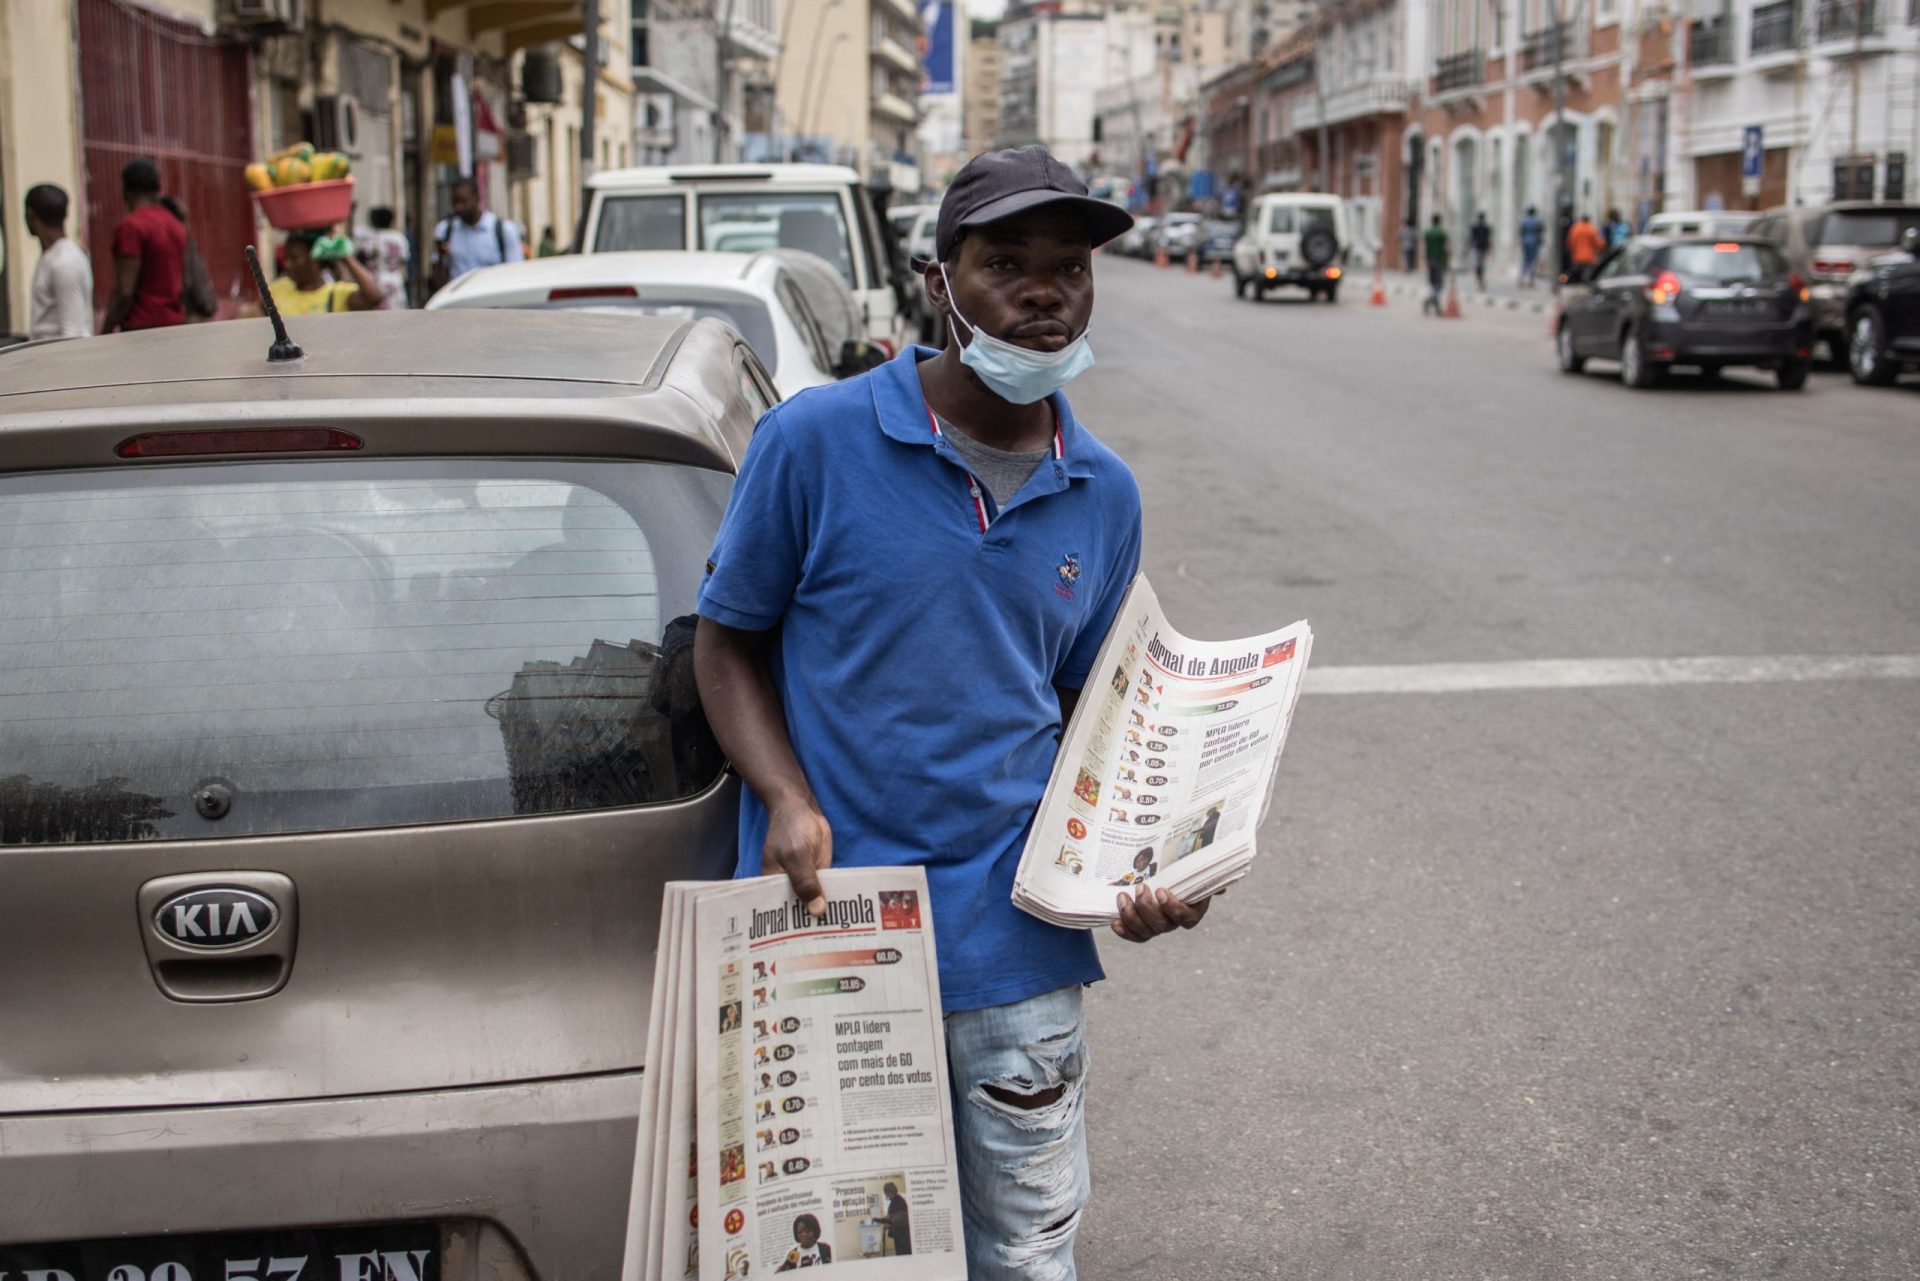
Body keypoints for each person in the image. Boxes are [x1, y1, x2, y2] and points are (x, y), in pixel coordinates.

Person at [693, 146, 1211, 1281]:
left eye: (1069, 269)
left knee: (1025, 1256)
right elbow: (725, 641)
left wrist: (1139, 863)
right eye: (1005, 264)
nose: (1043, 293)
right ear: (941, 281)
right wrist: (784, 796)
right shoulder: (814, 444)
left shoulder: (1103, 491)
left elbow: (1096, 713)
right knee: (840, 1260)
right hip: (830, 930)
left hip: (1018, 952)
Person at [101, 158, 186, 333]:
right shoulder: (175, 224)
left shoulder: (132, 226)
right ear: (157, 189)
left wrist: (105, 332)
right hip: (174, 324)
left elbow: (124, 291)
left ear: (125, 191)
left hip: (141, 329)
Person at [24, 184, 93, 339]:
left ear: (31, 216)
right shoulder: (51, 256)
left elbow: (73, 333)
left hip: (61, 359)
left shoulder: (65, 263)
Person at [430, 176, 523, 289]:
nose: (459, 207)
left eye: (464, 202)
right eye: (455, 203)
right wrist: (441, 255)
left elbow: (516, 273)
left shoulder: (503, 230)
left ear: (477, 198)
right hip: (458, 302)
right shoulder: (445, 230)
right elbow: (437, 280)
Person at [264, 230, 383, 316]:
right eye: (286, 258)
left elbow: (374, 297)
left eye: (294, 258)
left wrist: (346, 257)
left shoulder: (336, 294)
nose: (287, 265)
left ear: (316, 260)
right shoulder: (278, 290)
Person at [365, 207, 412, 309]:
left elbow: (366, 256)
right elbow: (405, 258)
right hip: (394, 278)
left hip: (377, 279)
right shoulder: (399, 237)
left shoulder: (373, 237)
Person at [1422, 213, 1450, 316]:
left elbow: (1424, 247)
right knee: (1439, 284)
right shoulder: (1442, 233)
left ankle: (1436, 305)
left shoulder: (1427, 233)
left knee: (1433, 283)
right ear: (1439, 221)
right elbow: (1446, 247)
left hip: (1430, 260)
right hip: (1439, 260)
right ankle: (1430, 300)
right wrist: (1448, 260)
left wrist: (1425, 260)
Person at [876, 1181, 912, 1256]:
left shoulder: (897, 1201)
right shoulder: (897, 1200)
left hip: (902, 1237)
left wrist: (882, 1222)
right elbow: (892, 1218)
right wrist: (880, 1220)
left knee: (903, 1256)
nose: (885, 1194)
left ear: (889, 1192)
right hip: (901, 1236)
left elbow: (896, 1219)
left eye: (885, 1192)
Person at [1518, 205, 1545, 287]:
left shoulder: (1524, 220)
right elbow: (1541, 231)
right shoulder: (1537, 221)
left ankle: (1522, 278)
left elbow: (1521, 231)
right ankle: (1531, 280)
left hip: (1526, 241)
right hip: (1534, 242)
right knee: (1533, 261)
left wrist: (1522, 241)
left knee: (1525, 260)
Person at [1469, 212, 1492, 292]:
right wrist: (1490, 249)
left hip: (1477, 247)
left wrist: (1469, 247)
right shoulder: (1486, 227)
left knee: (1478, 264)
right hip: (1483, 248)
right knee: (1481, 264)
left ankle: (1480, 279)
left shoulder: (1475, 227)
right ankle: (1481, 279)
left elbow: (1471, 238)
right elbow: (1488, 239)